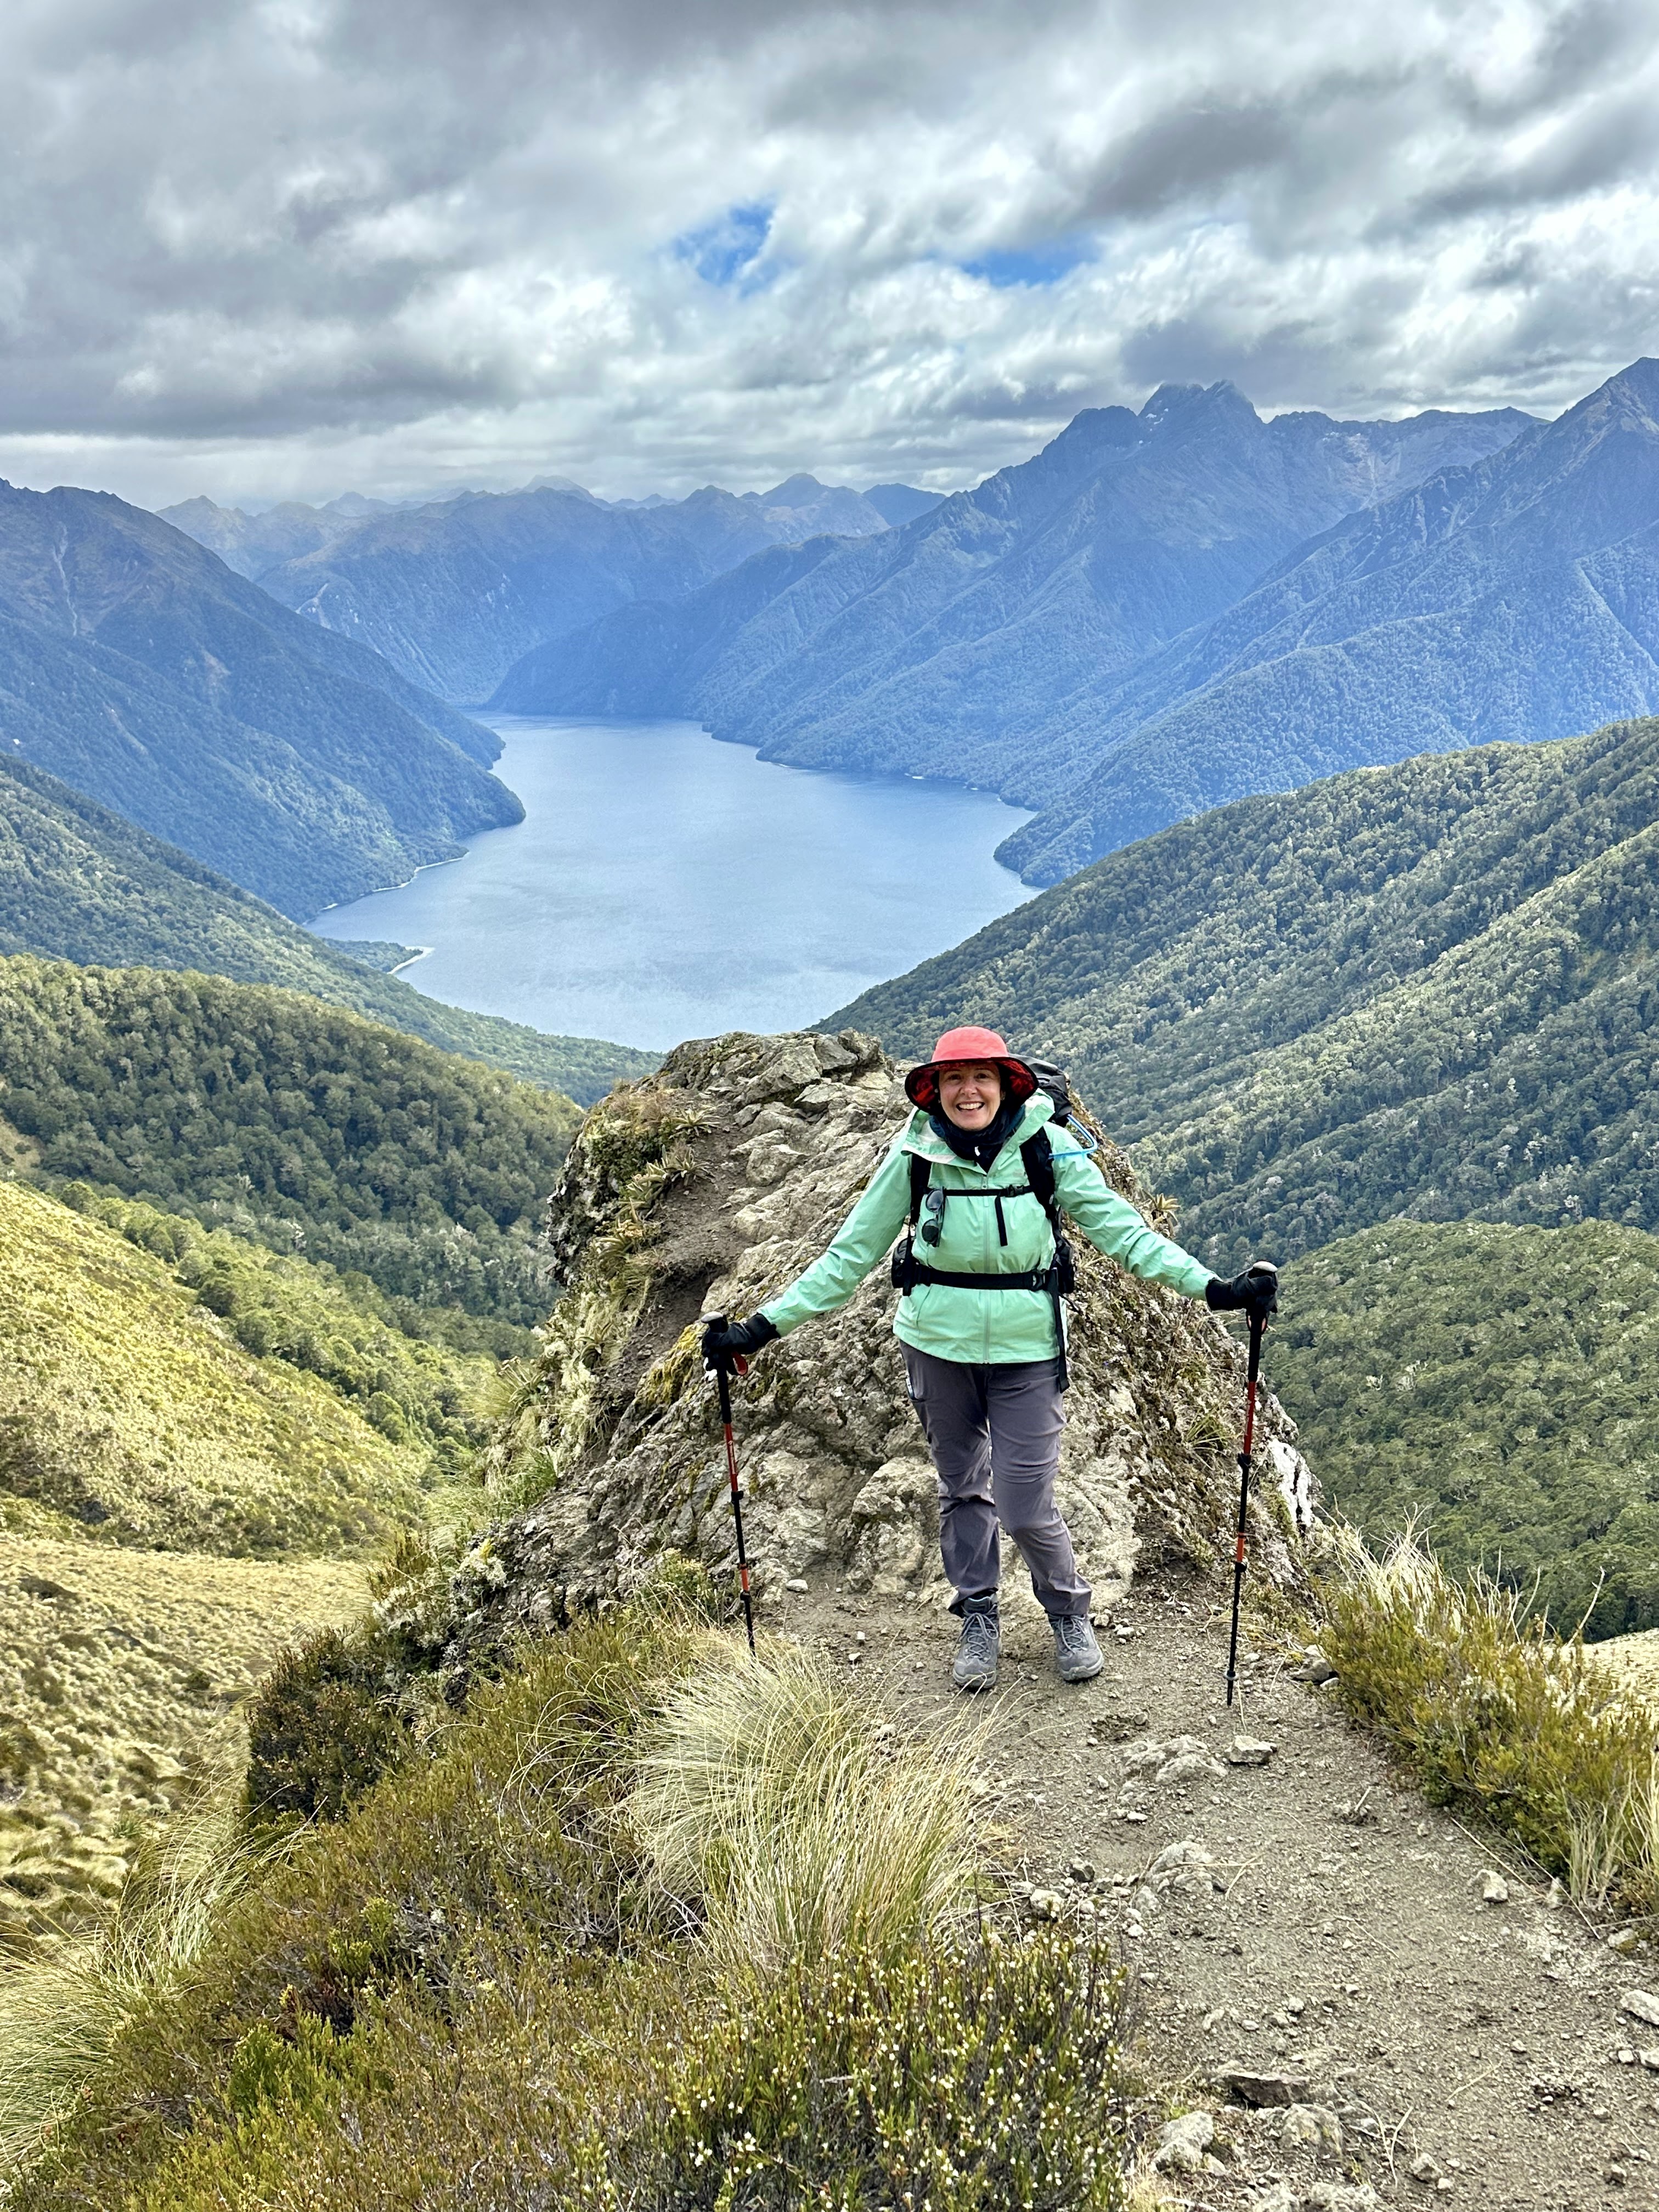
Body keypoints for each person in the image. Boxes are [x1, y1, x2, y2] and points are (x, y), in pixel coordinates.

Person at [702, 1026, 1277, 1691]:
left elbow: (1126, 1235)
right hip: (935, 1346)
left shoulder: (1046, 1149)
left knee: (1024, 1502)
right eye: (953, 1079)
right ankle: (978, 1615)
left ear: (1006, 1084)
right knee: (962, 1489)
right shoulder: (914, 1155)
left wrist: (1215, 1289)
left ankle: (1067, 1611)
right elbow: (848, 1258)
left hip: (1028, 1351)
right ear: (935, 1090)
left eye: (981, 1077)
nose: (967, 1091)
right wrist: (761, 1328)